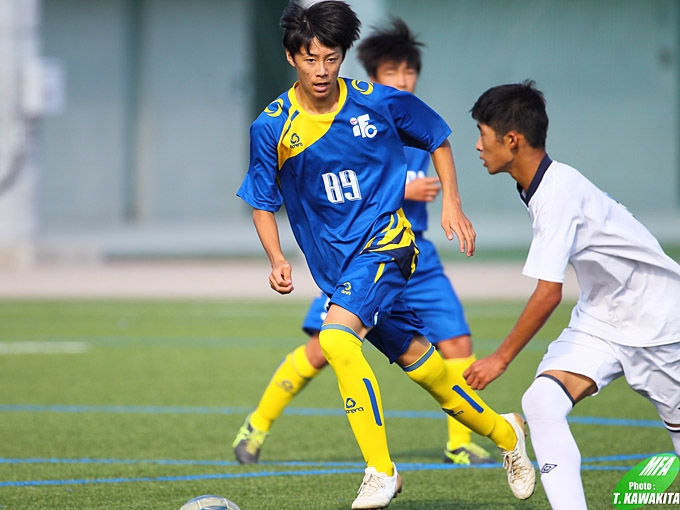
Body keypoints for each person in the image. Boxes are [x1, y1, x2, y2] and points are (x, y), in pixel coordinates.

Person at [236, 2, 535, 507]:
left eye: (332, 58)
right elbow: (262, 202)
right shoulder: (271, 127)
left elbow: (438, 136)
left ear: (343, 57)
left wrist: (452, 206)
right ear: (292, 58)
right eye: (311, 60)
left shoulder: (377, 101)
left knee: (335, 339)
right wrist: (276, 257)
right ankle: (508, 436)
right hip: (337, 269)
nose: (322, 71)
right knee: (429, 370)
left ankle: (381, 471)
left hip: (388, 245)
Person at [464, 79, 680, 510]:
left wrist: (500, 358)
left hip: (660, 324)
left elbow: (548, 293)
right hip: (601, 321)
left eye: (483, 136)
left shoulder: (557, 192)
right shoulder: (538, 185)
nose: (477, 146)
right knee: (541, 403)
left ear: (512, 140)